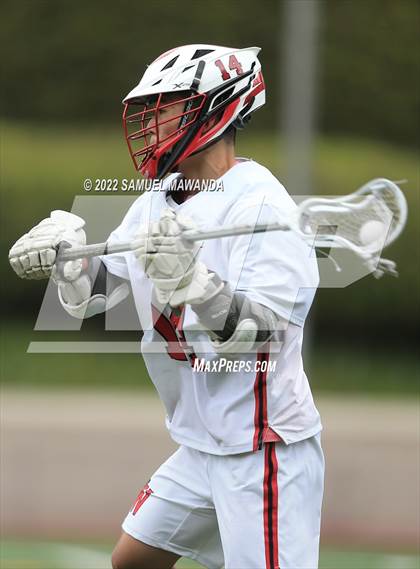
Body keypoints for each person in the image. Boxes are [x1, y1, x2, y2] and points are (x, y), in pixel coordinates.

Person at [9, 44, 324, 569]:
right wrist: (70, 264)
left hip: (260, 447)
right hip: (202, 443)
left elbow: (260, 337)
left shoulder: (264, 208)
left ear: (217, 108)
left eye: (169, 105)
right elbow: (103, 291)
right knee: (132, 561)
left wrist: (194, 284)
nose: (152, 122)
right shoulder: (160, 197)